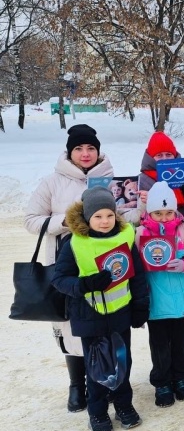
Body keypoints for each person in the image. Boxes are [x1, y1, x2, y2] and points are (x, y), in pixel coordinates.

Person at [25, 124, 116, 413]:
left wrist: (135, 209)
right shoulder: (52, 183)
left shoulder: (112, 180)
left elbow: (125, 217)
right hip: (65, 263)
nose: (86, 153)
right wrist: (62, 223)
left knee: (105, 317)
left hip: (103, 263)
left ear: (98, 151)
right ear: (70, 152)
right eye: (79, 148)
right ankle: (78, 385)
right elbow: (30, 220)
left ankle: (106, 378)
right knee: (69, 324)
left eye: (91, 148)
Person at [52, 186, 150, 431]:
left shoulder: (124, 238)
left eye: (108, 215)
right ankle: (97, 411)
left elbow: (137, 275)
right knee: (96, 366)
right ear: (87, 217)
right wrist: (83, 285)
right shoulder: (73, 243)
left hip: (120, 312)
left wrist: (140, 306)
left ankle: (123, 405)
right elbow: (60, 279)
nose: (104, 221)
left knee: (122, 360)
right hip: (89, 315)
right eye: (98, 216)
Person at [138, 131, 184, 370]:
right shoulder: (140, 182)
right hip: (153, 255)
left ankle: (183, 347)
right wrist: (141, 204)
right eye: (160, 155)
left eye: (169, 154)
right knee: (158, 303)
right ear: (150, 157)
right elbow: (125, 215)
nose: (165, 159)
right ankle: (164, 354)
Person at [136, 182, 184, 407]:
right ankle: (162, 383)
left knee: (180, 344)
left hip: (183, 301)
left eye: (169, 212)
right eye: (158, 213)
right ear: (150, 213)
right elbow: (134, 267)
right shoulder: (140, 234)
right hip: (156, 303)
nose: (164, 218)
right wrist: (146, 265)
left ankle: (181, 379)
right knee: (159, 346)